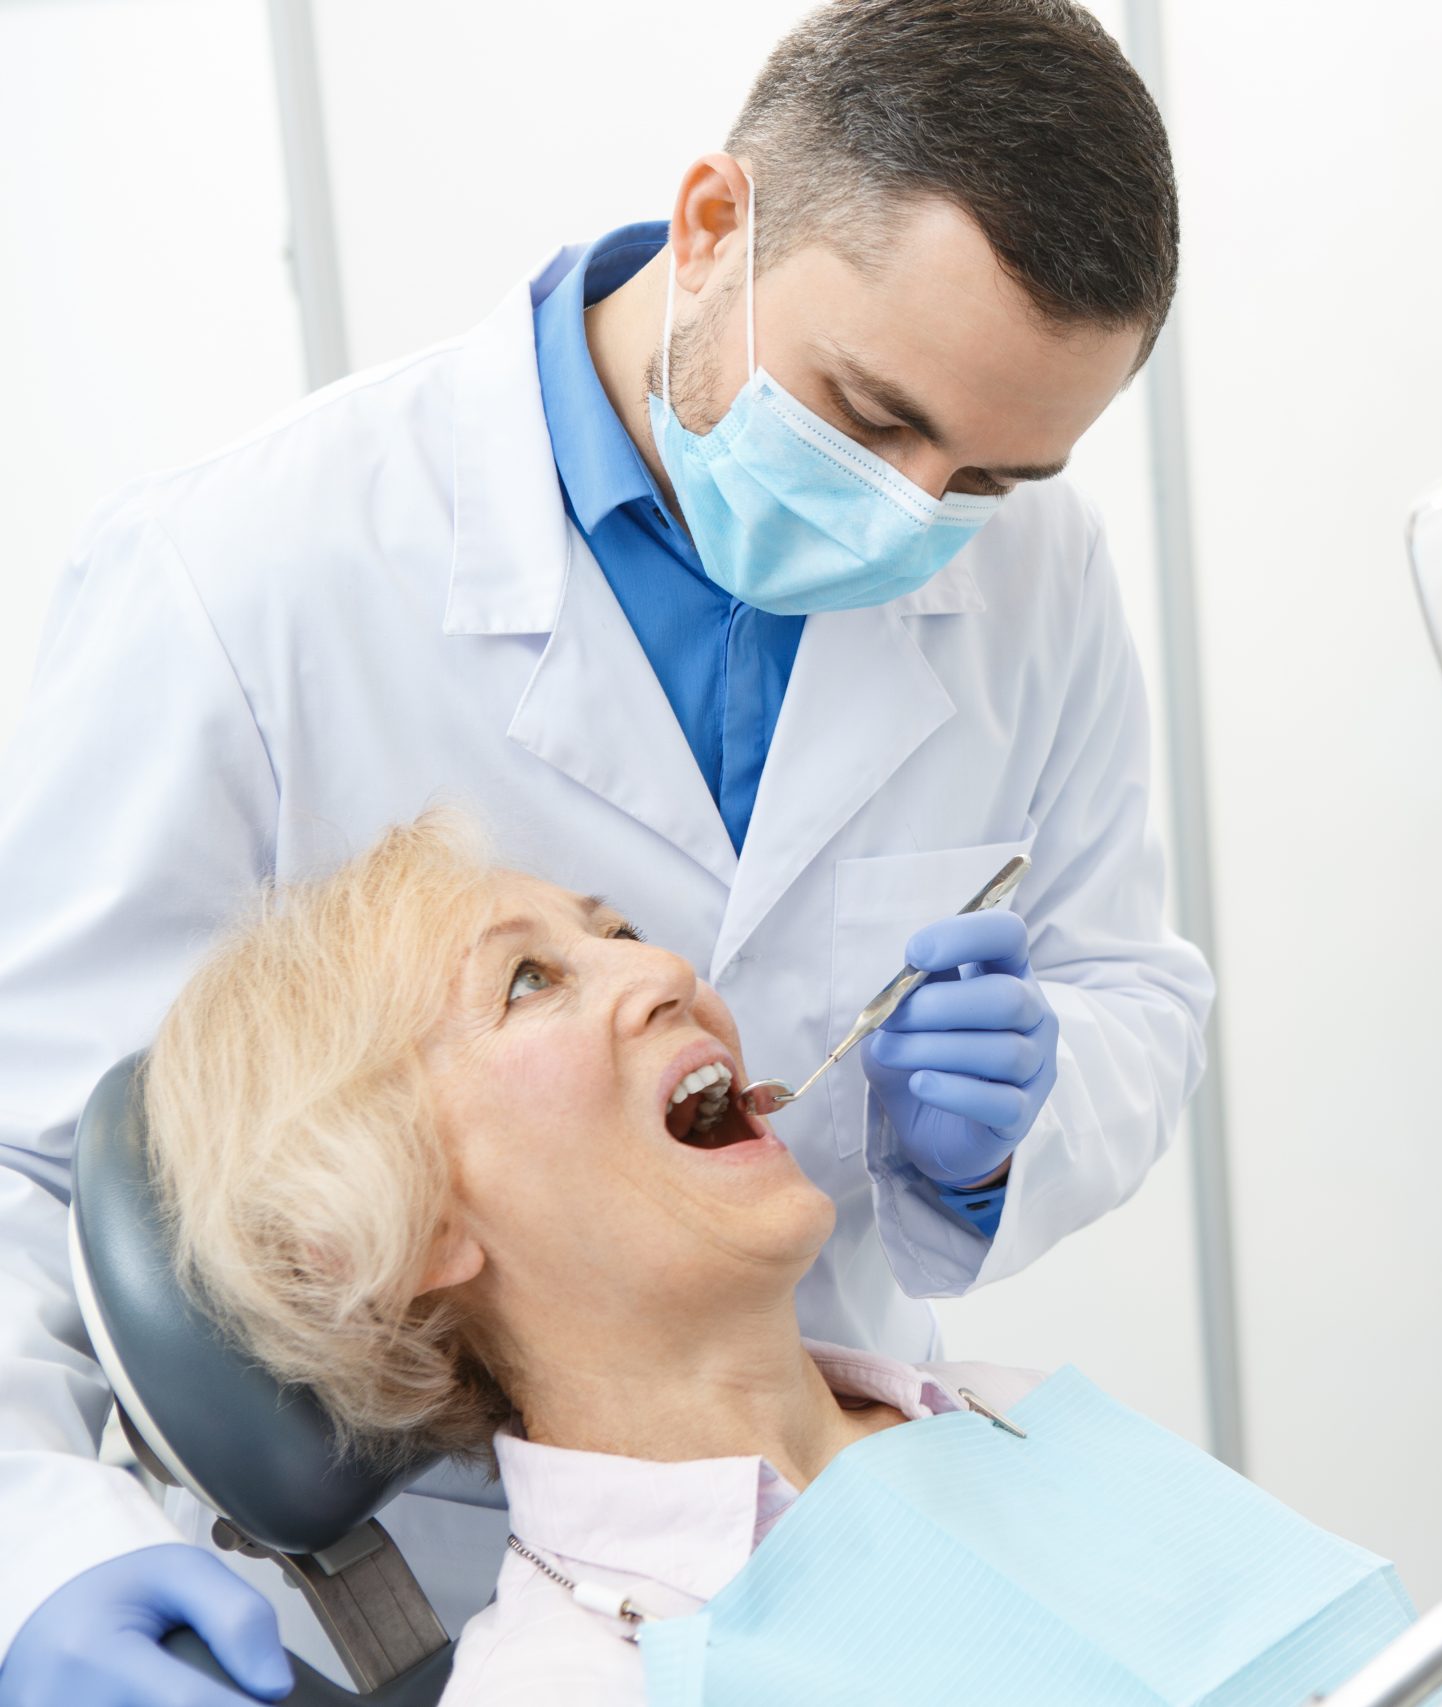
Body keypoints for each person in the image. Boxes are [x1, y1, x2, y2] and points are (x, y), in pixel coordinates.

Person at [0, 3, 1212, 1702]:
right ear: (716, 225)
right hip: (431, 1577)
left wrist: (1019, 1116)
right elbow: (33, 1167)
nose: (916, 516)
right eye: (869, 417)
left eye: (991, 479)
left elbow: (1121, 977)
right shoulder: (246, 575)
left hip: (856, 1504)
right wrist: (30, 1546)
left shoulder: (1036, 572)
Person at [136, 817, 1402, 1705]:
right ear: (403, 1229)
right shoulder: (576, 1688)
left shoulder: (1007, 1413)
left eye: (619, 929)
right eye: (527, 983)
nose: (664, 970)